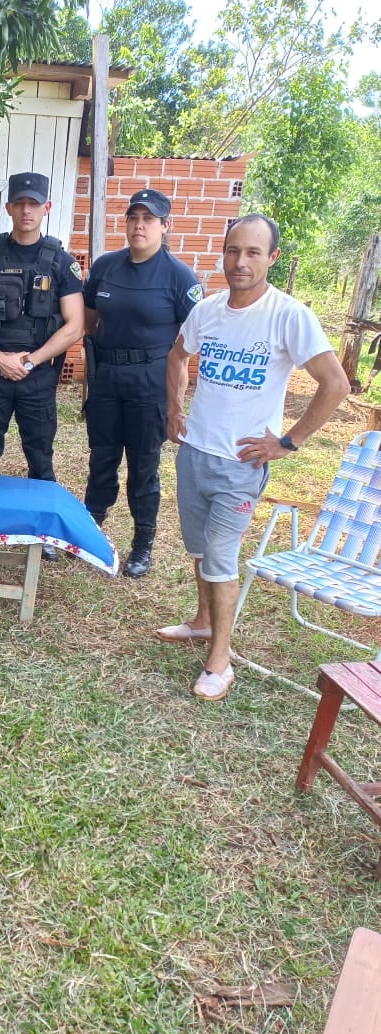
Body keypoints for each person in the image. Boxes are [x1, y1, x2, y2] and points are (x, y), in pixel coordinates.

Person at [158, 214, 350, 702]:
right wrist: (176, 408)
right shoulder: (207, 310)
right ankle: (202, 622)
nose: (239, 262)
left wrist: (288, 442)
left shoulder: (289, 315)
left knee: (221, 559)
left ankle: (220, 663)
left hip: (241, 466)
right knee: (199, 550)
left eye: (252, 253)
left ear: (273, 258)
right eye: (232, 251)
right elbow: (178, 355)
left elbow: (336, 384)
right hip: (195, 453)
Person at [0, 172, 84, 557]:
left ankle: (44, 535)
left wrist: (29, 361)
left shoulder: (62, 262)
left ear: (46, 208)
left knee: (40, 457)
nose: (27, 210)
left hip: (38, 376)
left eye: (35, 203)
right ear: (10, 208)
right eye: (20, 203)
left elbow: (75, 325)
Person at [83, 189, 202, 578]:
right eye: (133, 217)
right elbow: (88, 320)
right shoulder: (105, 267)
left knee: (143, 467)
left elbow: (190, 346)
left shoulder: (179, 277)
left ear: (165, 226)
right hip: (107, 379)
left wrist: (176, 405)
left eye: (149, 219)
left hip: (150, 383)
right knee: (102, 458)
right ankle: (90, 530)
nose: (139, 225)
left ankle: (142, 544)